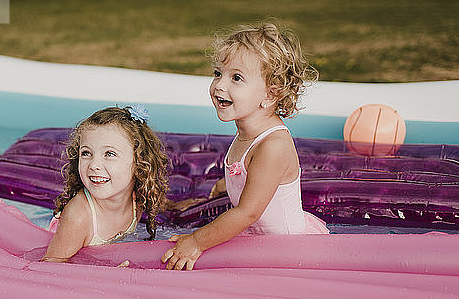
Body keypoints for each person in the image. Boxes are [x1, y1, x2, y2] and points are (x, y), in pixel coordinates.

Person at [161, 22, 329, 270]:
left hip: (288, 250)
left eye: (236, 78)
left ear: (270, 95)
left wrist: (196, 242)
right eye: (218, 73)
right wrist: (227, 185)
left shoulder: (272, 146)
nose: (219, 85)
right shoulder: (247, 130)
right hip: (256, 241)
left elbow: (247, 213)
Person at [42, 106, 169, 263]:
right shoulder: (79, 217)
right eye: (86, 153)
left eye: (109, 154)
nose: (94, 164)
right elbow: (50, 266)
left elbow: (163, 206)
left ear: (139, 162)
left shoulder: (139, 197)